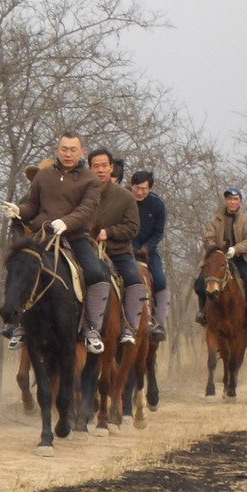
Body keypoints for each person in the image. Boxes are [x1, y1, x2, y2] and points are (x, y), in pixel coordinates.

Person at [2, 132, 108, 353]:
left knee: (96, 273)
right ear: (57, 150)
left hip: (75, 237)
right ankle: (19, 324)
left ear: (82, 151)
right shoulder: (43, 176)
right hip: (43, 236)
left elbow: (86, 210)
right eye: (64, 149)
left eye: (72, 149)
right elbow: (32, 206)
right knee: (20, 267)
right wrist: (18, 210)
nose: (68, 154)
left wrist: (66, 223)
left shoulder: (91, 180)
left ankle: (91, 328)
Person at [88, 148, 146, 345]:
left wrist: (108, 233)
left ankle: (129, 327)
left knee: (134, 278)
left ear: (111, 168)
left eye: (104, 166)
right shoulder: (81, 194)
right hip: (86, 250)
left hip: (117, 252)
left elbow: (133, 227)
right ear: (89, 169)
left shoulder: (126, 197)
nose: (100, 170)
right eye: (96, 166)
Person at [194, 189, 247, 329]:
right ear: (225, 201)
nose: (232, 202)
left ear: (240, 201)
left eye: (235, 199)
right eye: (229, 199)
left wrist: (235, 249)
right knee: (200, 283)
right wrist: (217, 251)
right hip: (217, 259)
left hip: (240, 258)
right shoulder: (215, 219)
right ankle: (203, 313)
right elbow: (208, 238)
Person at [130, 171, 169, 341]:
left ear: (150, 188)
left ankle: (160, 323)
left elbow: (159, 232)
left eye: (144, 189)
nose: (139, 192)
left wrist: (147, 247)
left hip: (149, 252)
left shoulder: (157, 204)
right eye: (136, 188)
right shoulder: (124, 200)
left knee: (160, 281)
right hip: (125, 250)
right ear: (131, 186)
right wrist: (130, 247)